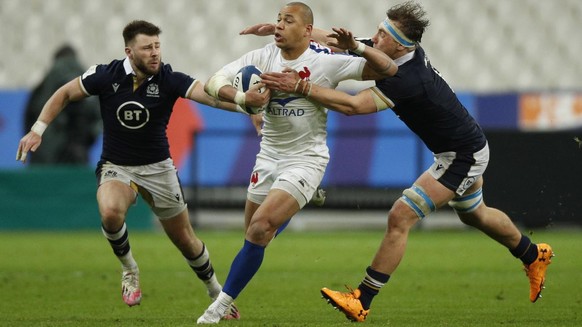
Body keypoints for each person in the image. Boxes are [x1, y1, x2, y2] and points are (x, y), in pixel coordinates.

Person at [259, 1, 554, 322]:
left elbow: (354, 106)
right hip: (459, 147)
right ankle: (532, 254)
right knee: (475, 214)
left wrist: (301, 85)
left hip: (462, 155)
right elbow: (335, 39)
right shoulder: (393, 50)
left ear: (399, 45)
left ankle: (363, 299)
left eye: (381, 35)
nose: (374, 38)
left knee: (400, 217)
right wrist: (288, 31)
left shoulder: (408, 78)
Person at [15, 20, 260, 318]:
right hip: (117, 165)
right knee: (109, 212)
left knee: (186, 240)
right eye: (147, 48)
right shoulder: (106, 75)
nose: (155, 53)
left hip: (159, 168)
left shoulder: (169, 78)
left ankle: (215, 291)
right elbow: (64, 93)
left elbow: (206, 95)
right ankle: (130, 269)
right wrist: (38, 129)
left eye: (157, 46)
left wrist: (245, 105)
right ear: (130, 52)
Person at [196, 2, 397, 324]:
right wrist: (242, 99)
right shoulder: (261, 57)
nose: (278, 26)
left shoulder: (325, 63)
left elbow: (388, 69)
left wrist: (358, 47)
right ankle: (301, 198)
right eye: (277, 20)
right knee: (255, 233)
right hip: (269, 157)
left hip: (307, 158)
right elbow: (212, 81)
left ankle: (218, 307)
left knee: (261, 228)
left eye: (287, 21)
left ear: (306, 30)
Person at [23, 44, 101, 164]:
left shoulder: (45, 83)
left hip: (46, 154)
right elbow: (96, 117)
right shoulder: (86, 77)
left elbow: (30, 116)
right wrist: (83, 143)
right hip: (77, 155)